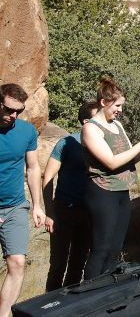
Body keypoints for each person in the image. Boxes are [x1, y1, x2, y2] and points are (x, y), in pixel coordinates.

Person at [81, 76, 140, 280]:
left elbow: (130, 159)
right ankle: (90, 293)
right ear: (103, 102)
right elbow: (112, 162)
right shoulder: (90, 129)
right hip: (102, 192)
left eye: (121, 106)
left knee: (115, 248)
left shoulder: (117, 125)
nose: (120, 110)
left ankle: (107, 290)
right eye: (117, 105)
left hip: (121, 191)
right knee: (101, 248)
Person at [42, 100, 99, 290]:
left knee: (78, 264)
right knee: (58, 264)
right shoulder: (66, 143)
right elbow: (48, 177)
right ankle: (48, 306)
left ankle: (69, 306)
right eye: (96, 118)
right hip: (64, 210)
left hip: (89, 212)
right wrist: (49, 212)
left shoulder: (103, 145)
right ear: (85, 121)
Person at [0, 83, 45, 317]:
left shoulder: (26, 131)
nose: (13, 115)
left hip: (15, 206)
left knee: (17, 263)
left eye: (19, 111)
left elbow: (33, 168)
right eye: (9, 110)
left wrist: (37, 205)